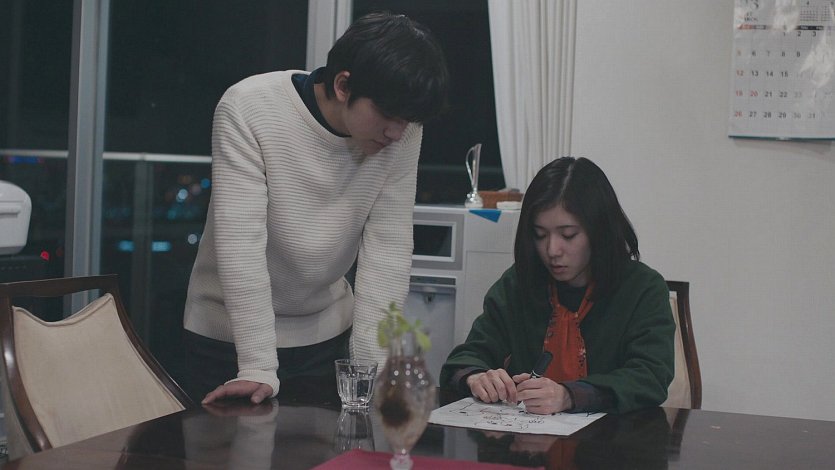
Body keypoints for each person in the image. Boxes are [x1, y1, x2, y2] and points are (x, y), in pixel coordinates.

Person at [183, 12, 449, 405]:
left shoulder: (402, 133)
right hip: (229, 336)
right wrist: (257, 365)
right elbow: (241, 245)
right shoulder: (249, 107)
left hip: (325, 335)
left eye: (407, 122)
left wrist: (372, 369)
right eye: (389, 116)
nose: (396, 133)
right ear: (343, 85)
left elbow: (387, 250)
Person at [440, 157, 674, 414]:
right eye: (540, 235)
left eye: (568, 235)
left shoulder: (642, 289)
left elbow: (650, 377)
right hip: (526, 435)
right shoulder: (519, 284)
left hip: (614, 436)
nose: (552, 250)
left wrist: (569, 396)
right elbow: (466, 357)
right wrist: (477, 377)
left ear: (599, 230)